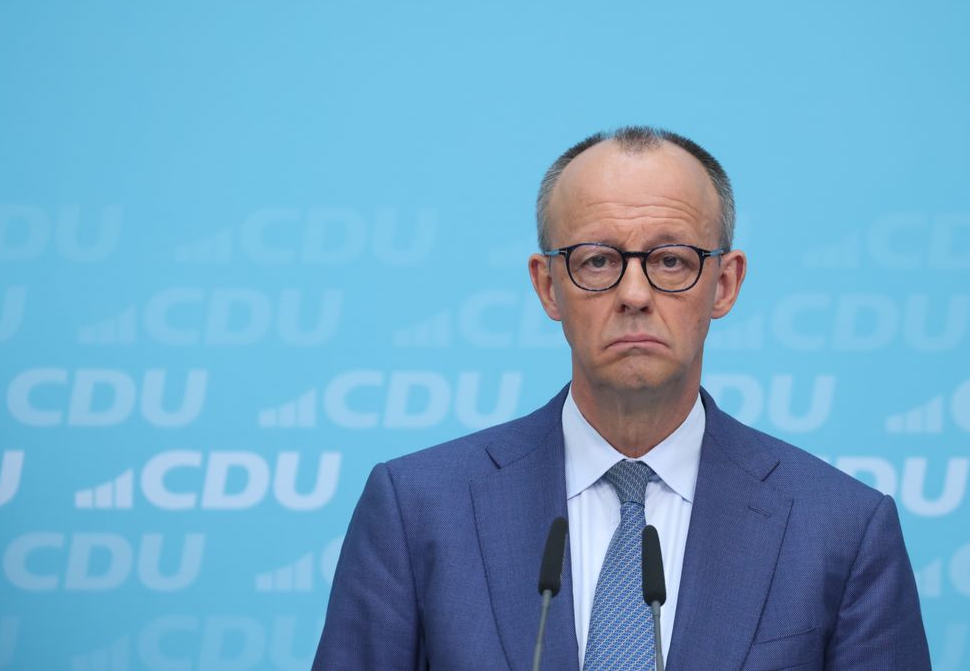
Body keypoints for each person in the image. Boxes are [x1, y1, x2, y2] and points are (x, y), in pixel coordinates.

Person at [313, 126, 931, 670]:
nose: (634, 294)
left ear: (725, 283)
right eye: (598, 260)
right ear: (548, 287)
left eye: (670, 260)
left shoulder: (840, 530)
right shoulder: (417, 509)